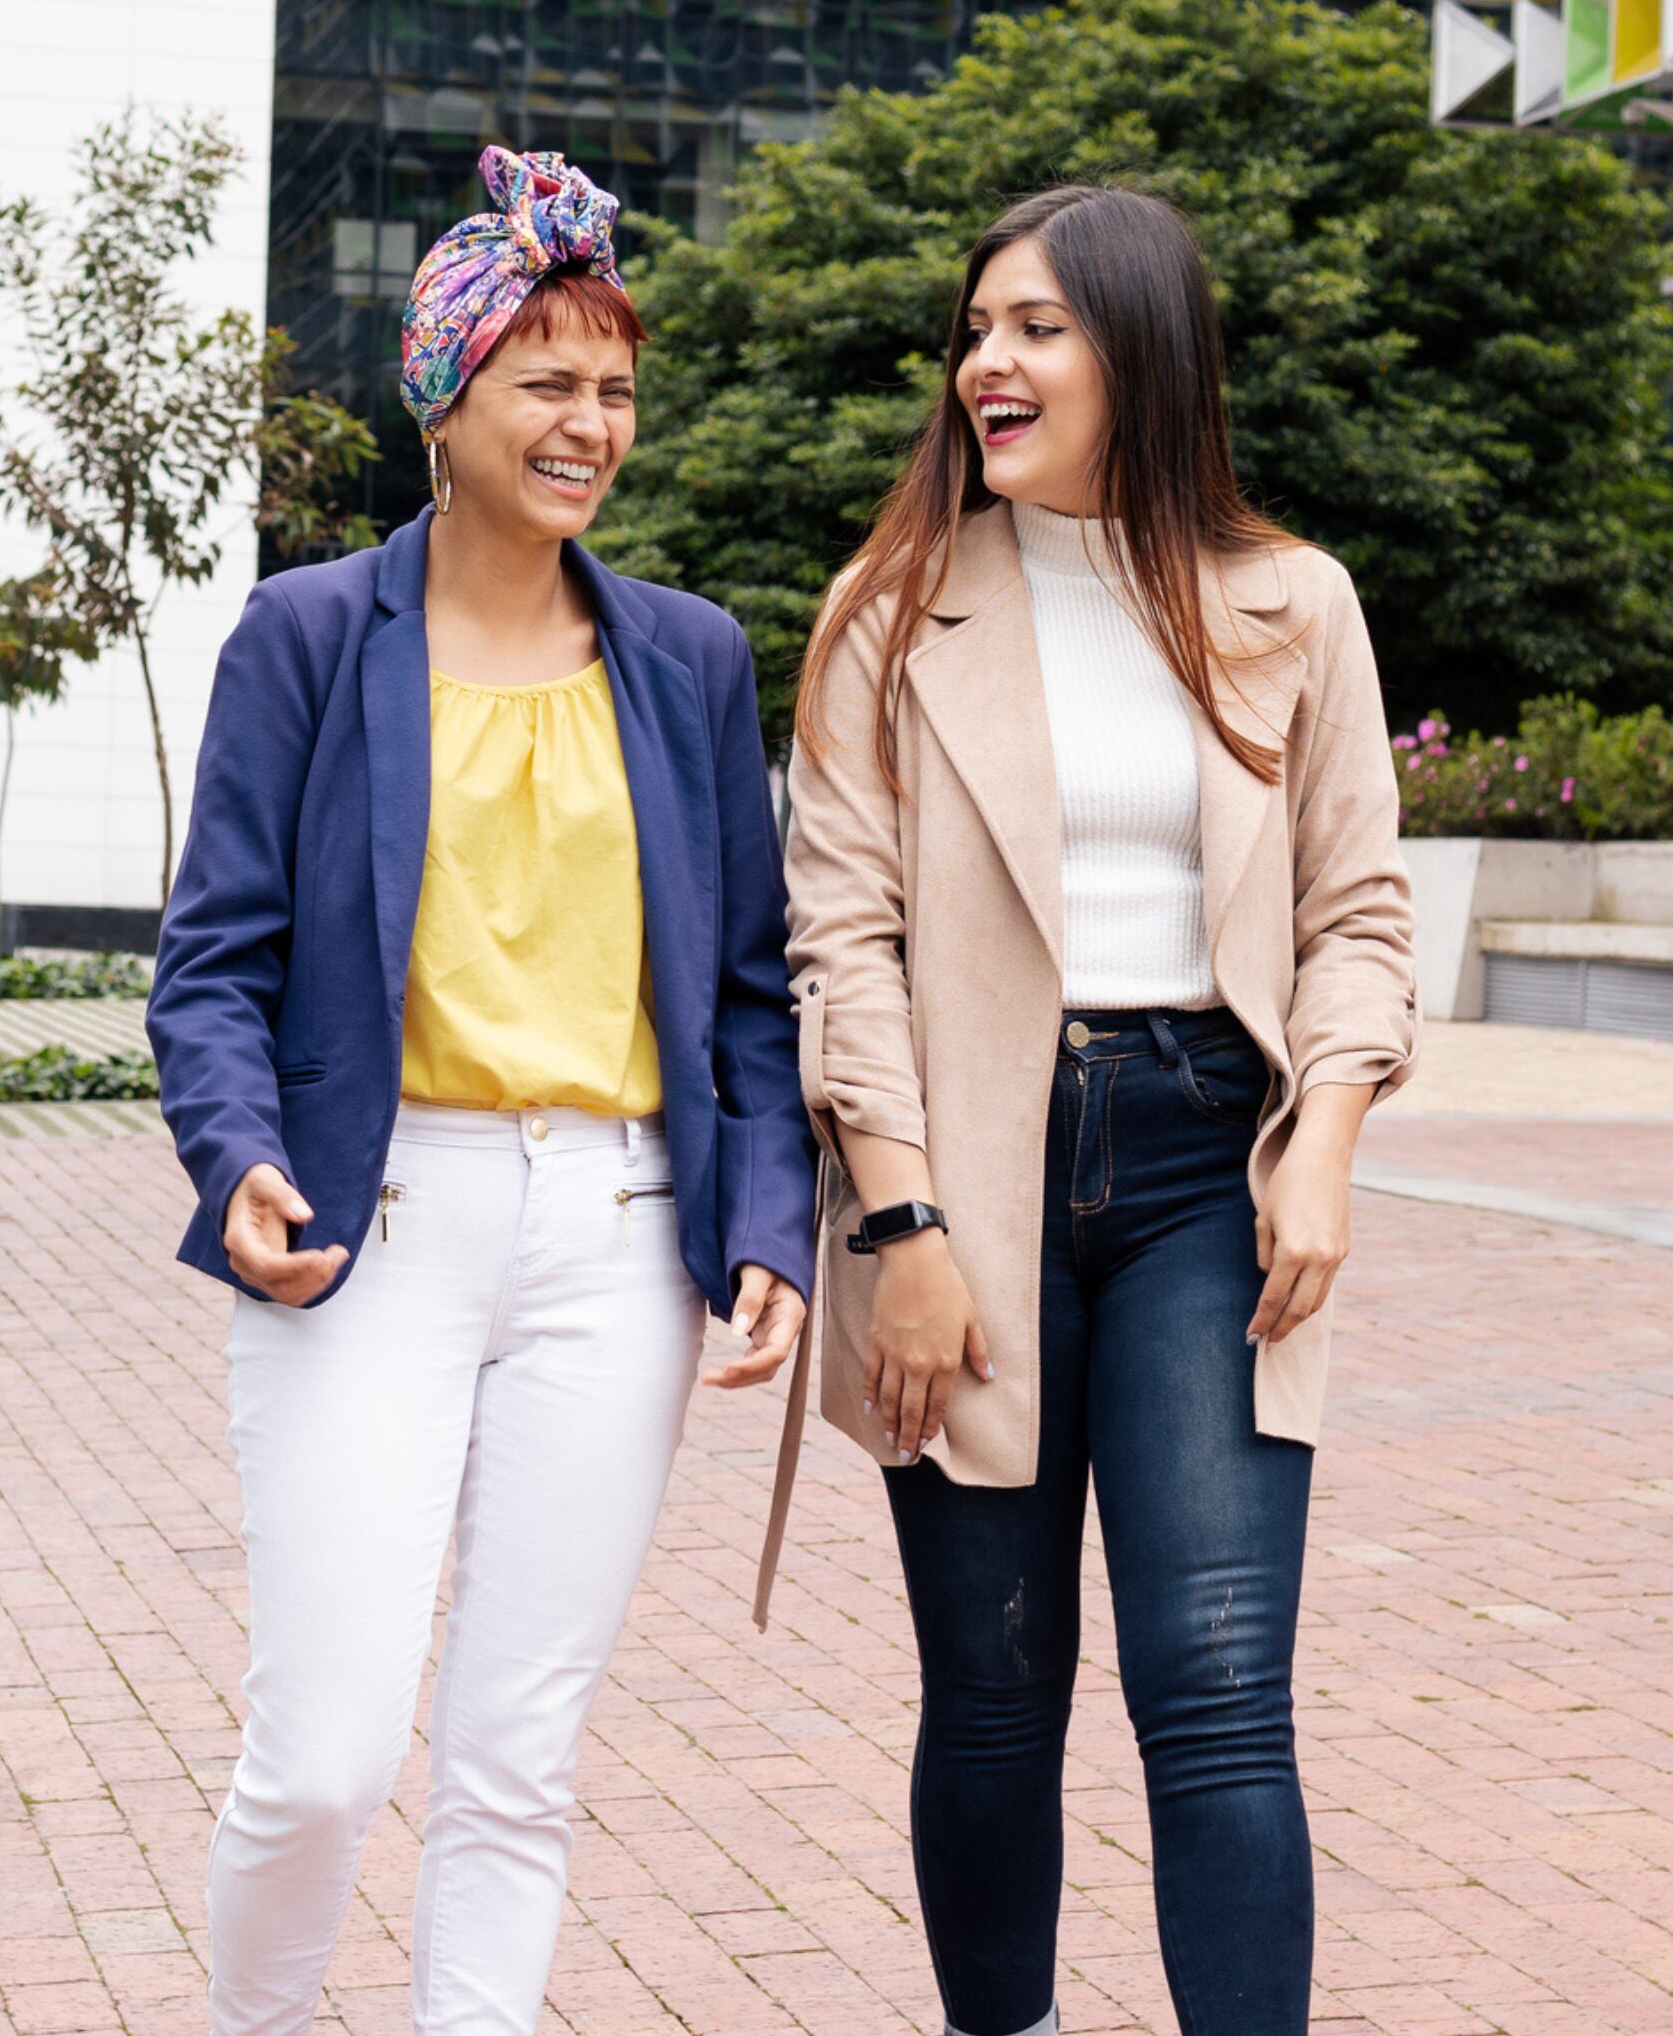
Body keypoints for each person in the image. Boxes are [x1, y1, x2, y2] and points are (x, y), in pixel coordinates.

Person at [150, 147, 817, 2036]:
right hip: (376, 1228)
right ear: (445, 400)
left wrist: (764, 1219)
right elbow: (212, 961)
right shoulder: (303, 635)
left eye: (611, 386)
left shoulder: (687, 657)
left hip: (615, 1242)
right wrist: (240, 1158)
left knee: (515, 1760)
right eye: (544, 380)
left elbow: (750, 991)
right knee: (327, 1755)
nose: (586, 421)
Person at [784, 183, 1415, 2036]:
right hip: (961, 1166)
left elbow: (1355, 911)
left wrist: (1326, 1139)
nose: (989, 361)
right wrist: (896, 1227)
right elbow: (842, 938)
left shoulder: (1291, 602)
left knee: (1216, 1686)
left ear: (1139, 350)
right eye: (977, 329)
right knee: (990, 1686)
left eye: (1037, 327)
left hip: (1207, 1158)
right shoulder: (890, 609)